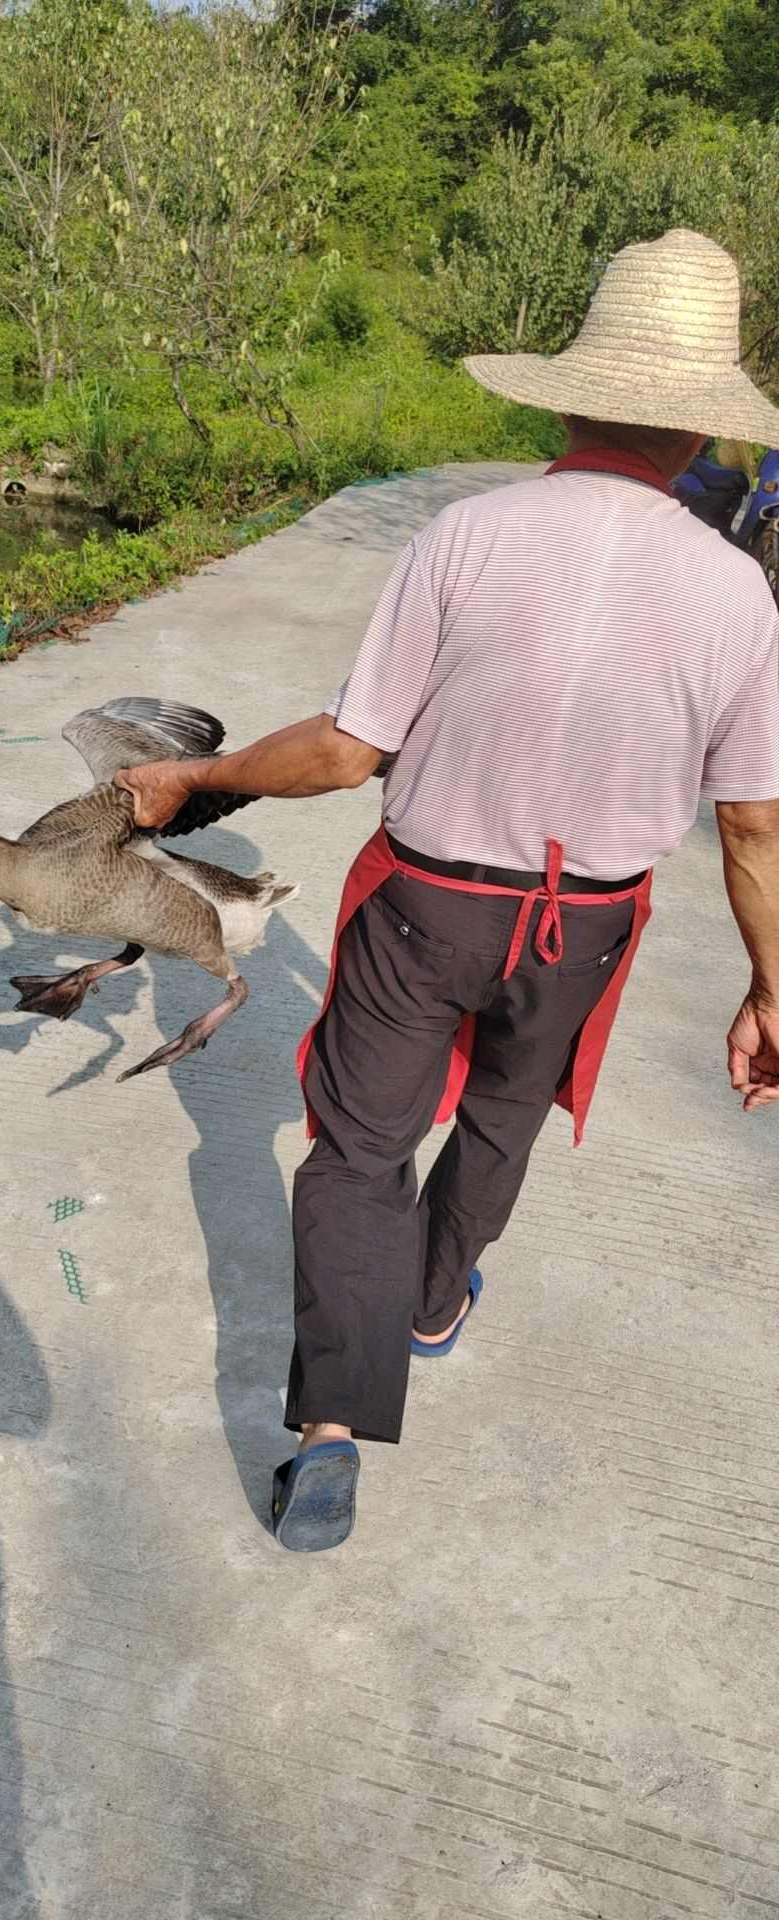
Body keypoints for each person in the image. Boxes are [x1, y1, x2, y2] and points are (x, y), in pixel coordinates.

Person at [116, 229, 779, 1553]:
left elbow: (350, 750)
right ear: (706, 431)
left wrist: (206, 778)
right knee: (503, 1113)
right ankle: (429, 1307)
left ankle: (334, 1432)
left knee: (361, 1148)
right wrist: (772, 989)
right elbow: (755, 831)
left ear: (575, 389)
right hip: (584, 926)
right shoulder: (737, 594)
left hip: (426, 901)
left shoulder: (468, 535)